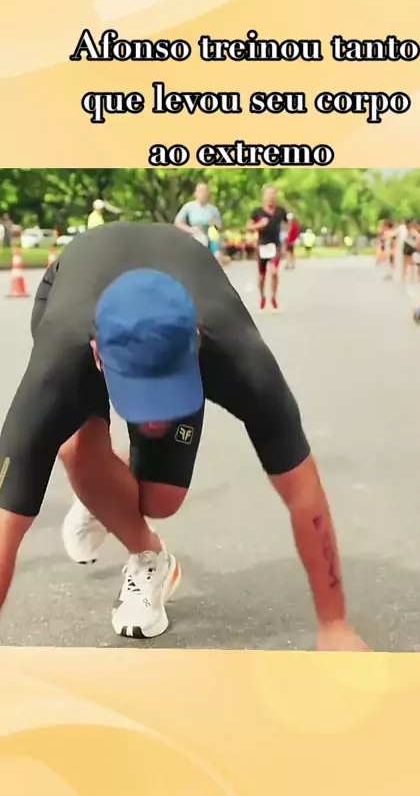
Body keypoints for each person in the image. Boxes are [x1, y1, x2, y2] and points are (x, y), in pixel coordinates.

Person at [0, 222, 368, 652]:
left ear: (196, 341)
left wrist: (335, 624)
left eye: (166, 395)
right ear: (98, 355)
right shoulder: (59, 362)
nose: (155, 420)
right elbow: (5, 524)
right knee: (77, 448)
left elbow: (304, 493)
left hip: (183, 289)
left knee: (162, 499)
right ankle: (147, 555)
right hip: (74, 287)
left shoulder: (240, 356)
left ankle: (103, 494)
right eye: (141, 398)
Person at [248, 185, 287, 311]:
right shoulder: (257, 212)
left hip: (276, 245)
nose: (271, 197)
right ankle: (262, 297)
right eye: (268, 194)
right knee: (262, 275)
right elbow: (249, 226)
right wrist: (259, 225)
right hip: (263, 245)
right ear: (264, 196)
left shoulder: (280, 211)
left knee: (274, 272)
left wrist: (286, 241)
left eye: (273, 194)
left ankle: (273, 297)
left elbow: (289, 224)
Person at [174, 182, 222, 247]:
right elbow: (178, 222)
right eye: (201, 191)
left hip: (211, 237)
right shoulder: (189, 206)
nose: (203, 194)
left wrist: (214, 224)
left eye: (205, 191)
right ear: (195, 194)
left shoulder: (213, 209)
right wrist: (190, 229)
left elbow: (219, 228)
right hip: (194, 235)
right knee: (200, 239)